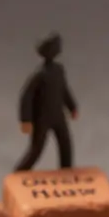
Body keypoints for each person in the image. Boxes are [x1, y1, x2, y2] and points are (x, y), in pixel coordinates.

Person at [14, 32, 78, 171]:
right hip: (42, 119)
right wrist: (26, 120)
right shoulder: (40, 75)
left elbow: (64, 90)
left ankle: (66, 171)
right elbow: (27, 96)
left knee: (66, 145)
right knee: (36, 149)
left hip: (58, 116)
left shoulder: (59, 70)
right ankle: (19, 172)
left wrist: (72, 107)